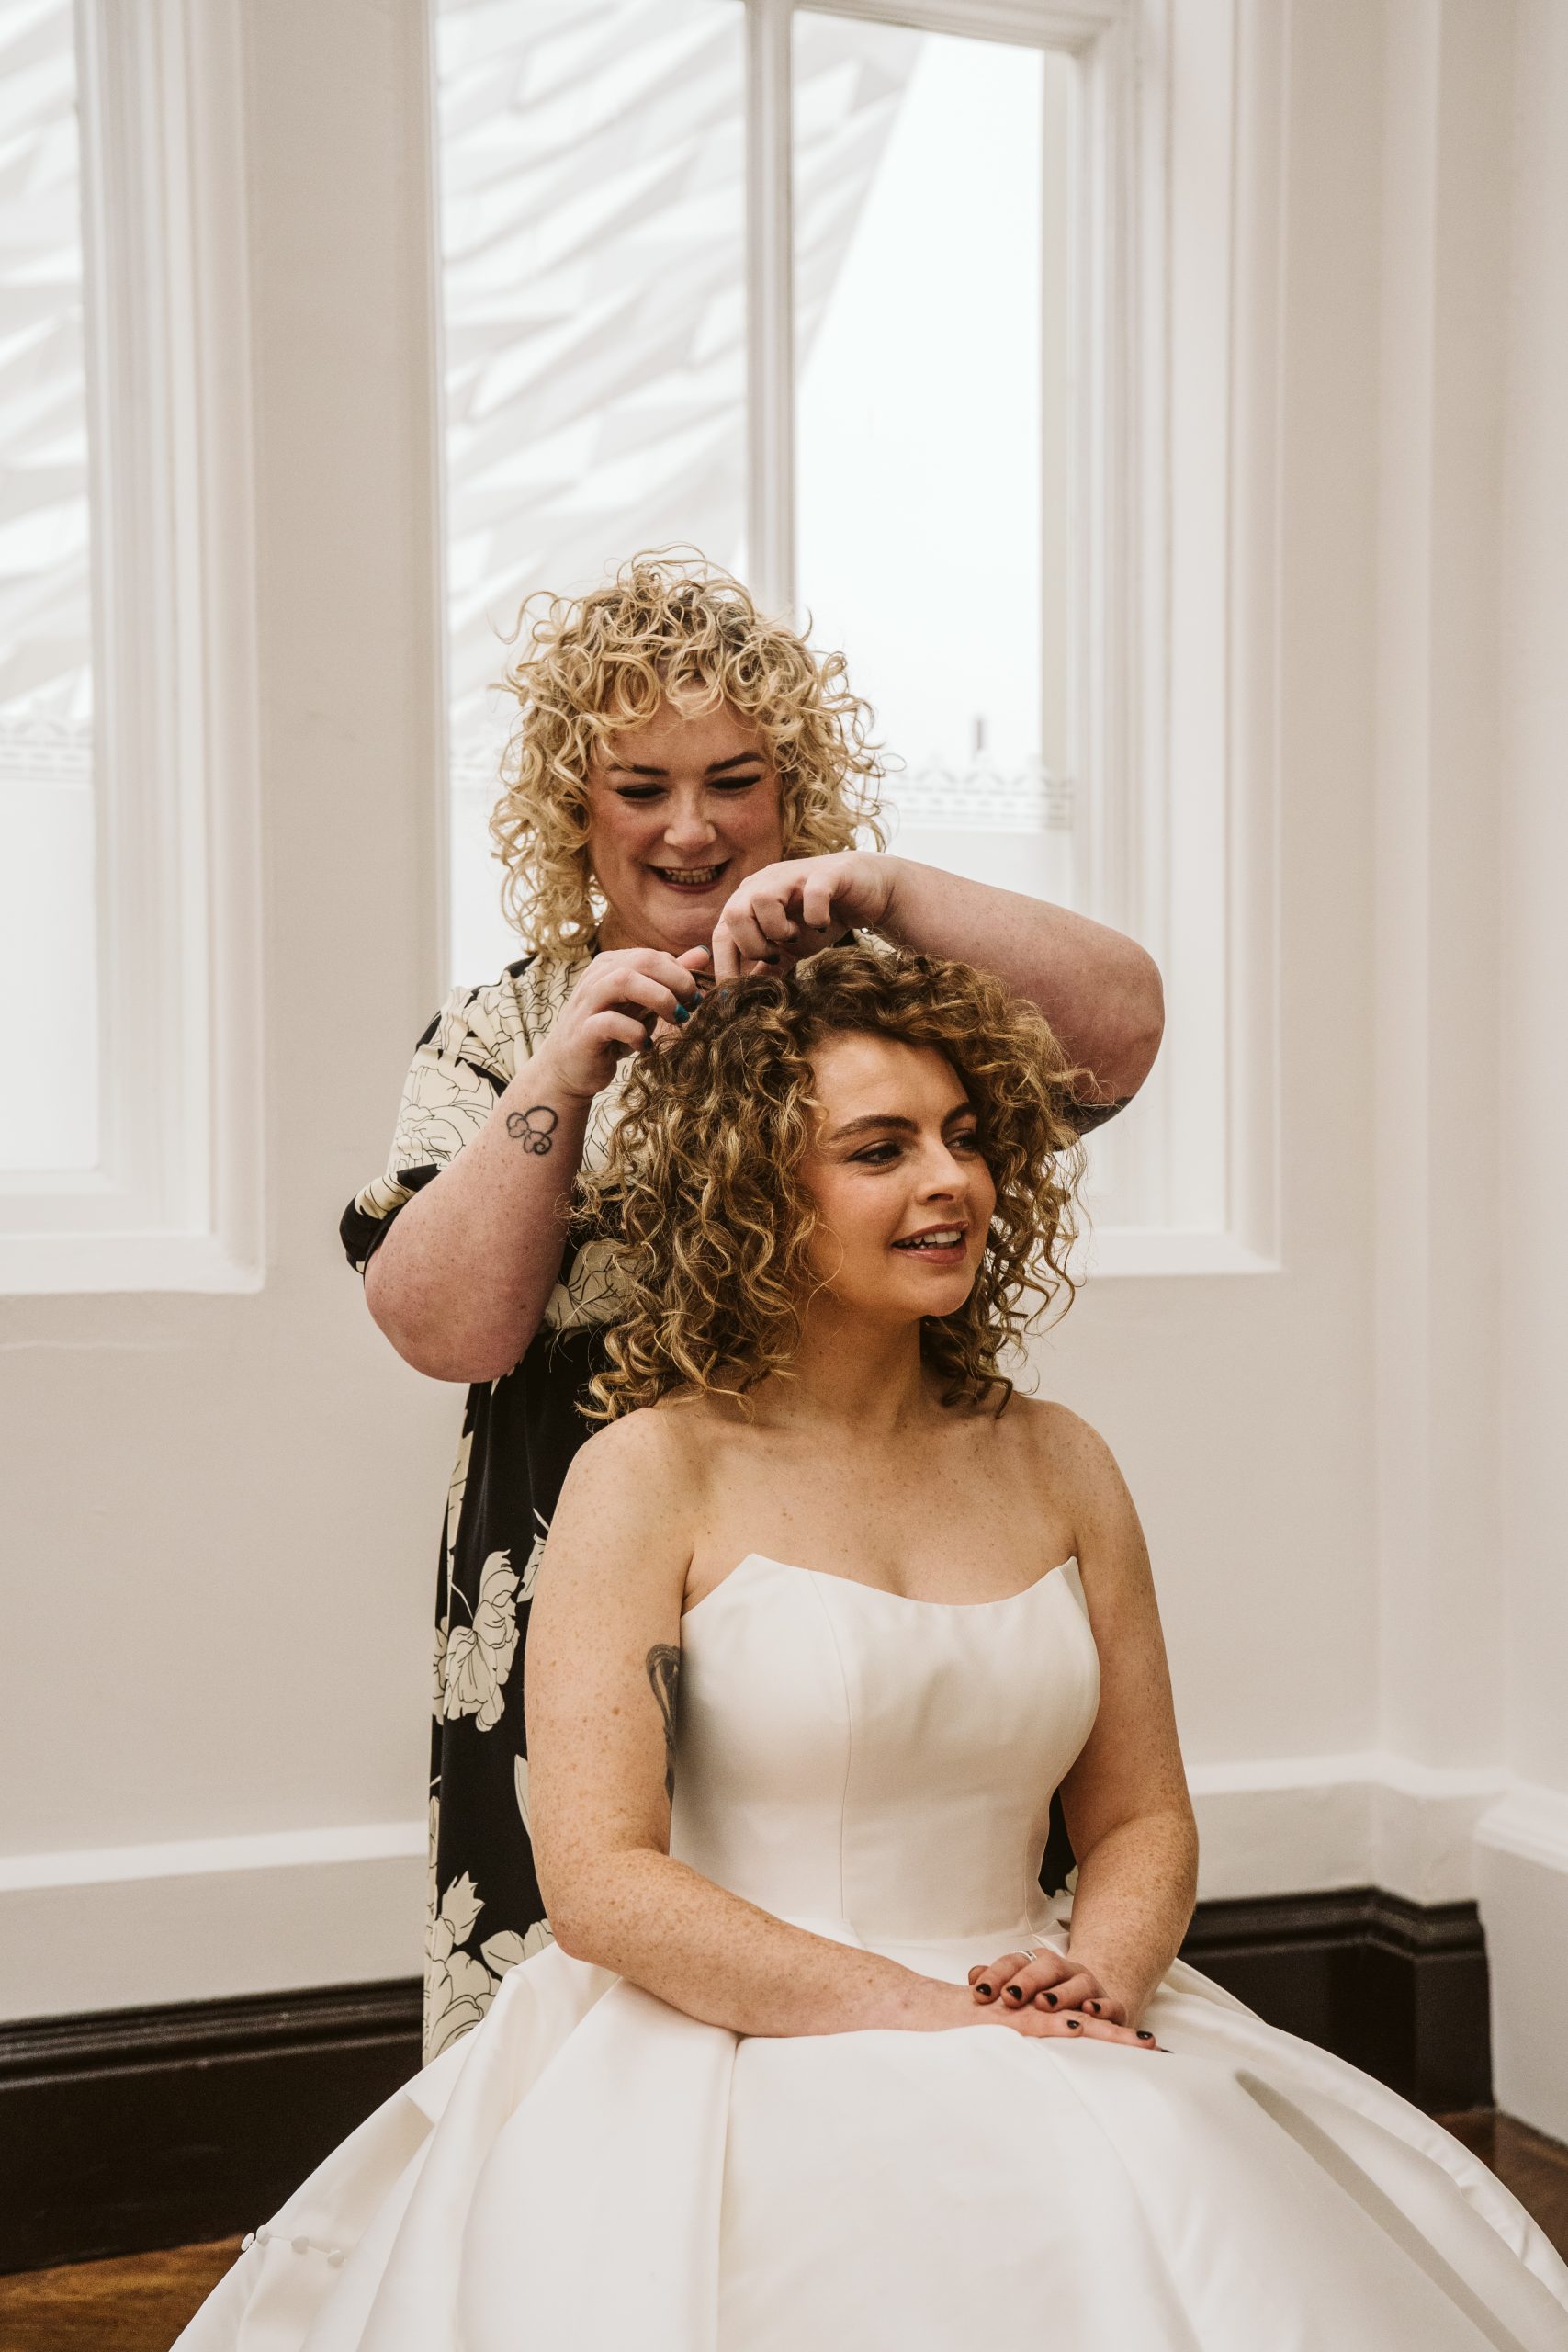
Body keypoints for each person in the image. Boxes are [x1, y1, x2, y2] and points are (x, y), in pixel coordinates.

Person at [187, 946, 1567, 2351]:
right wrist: (927, 2018)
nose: (951, 1181)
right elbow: (600, 1884)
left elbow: (1141, 1811)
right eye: (880, 1149)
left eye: (965, 1139)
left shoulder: (1059, 1461)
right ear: (757, 1197)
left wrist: (1101, 1970)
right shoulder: (646, 1473)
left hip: (1043, 2002)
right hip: (736, 2040)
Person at [343, 552, 1165, 2058]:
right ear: (570, 807)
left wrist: (894, 895)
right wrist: (563, 1080)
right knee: (585, 2030)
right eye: (640, 785)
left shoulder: (881, 1002)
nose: (692, 825)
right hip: (576, 1548)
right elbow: (444, 1328)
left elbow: (1116, 1039)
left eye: (736, 779)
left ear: (796, 786)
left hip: (861, 1534)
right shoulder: (503, 1032)